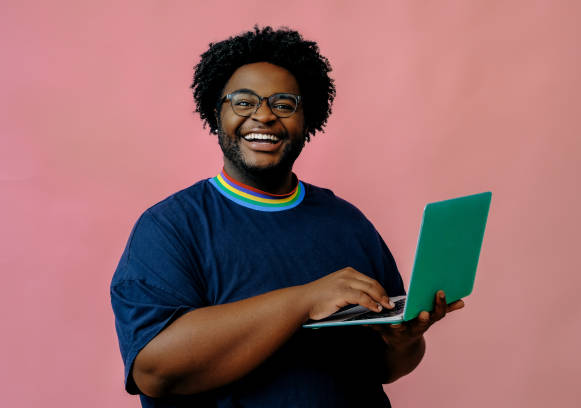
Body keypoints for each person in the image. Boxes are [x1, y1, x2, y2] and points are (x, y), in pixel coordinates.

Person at [111, 26, 464, 408]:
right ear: (216, 114)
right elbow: (154, 372)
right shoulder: (171, 227)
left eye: (283, 104)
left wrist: (405, 340)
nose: (263, 116)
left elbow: (386, 368)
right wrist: (305, 300)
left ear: (307, 121)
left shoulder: (348, 223)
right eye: (243, 102)